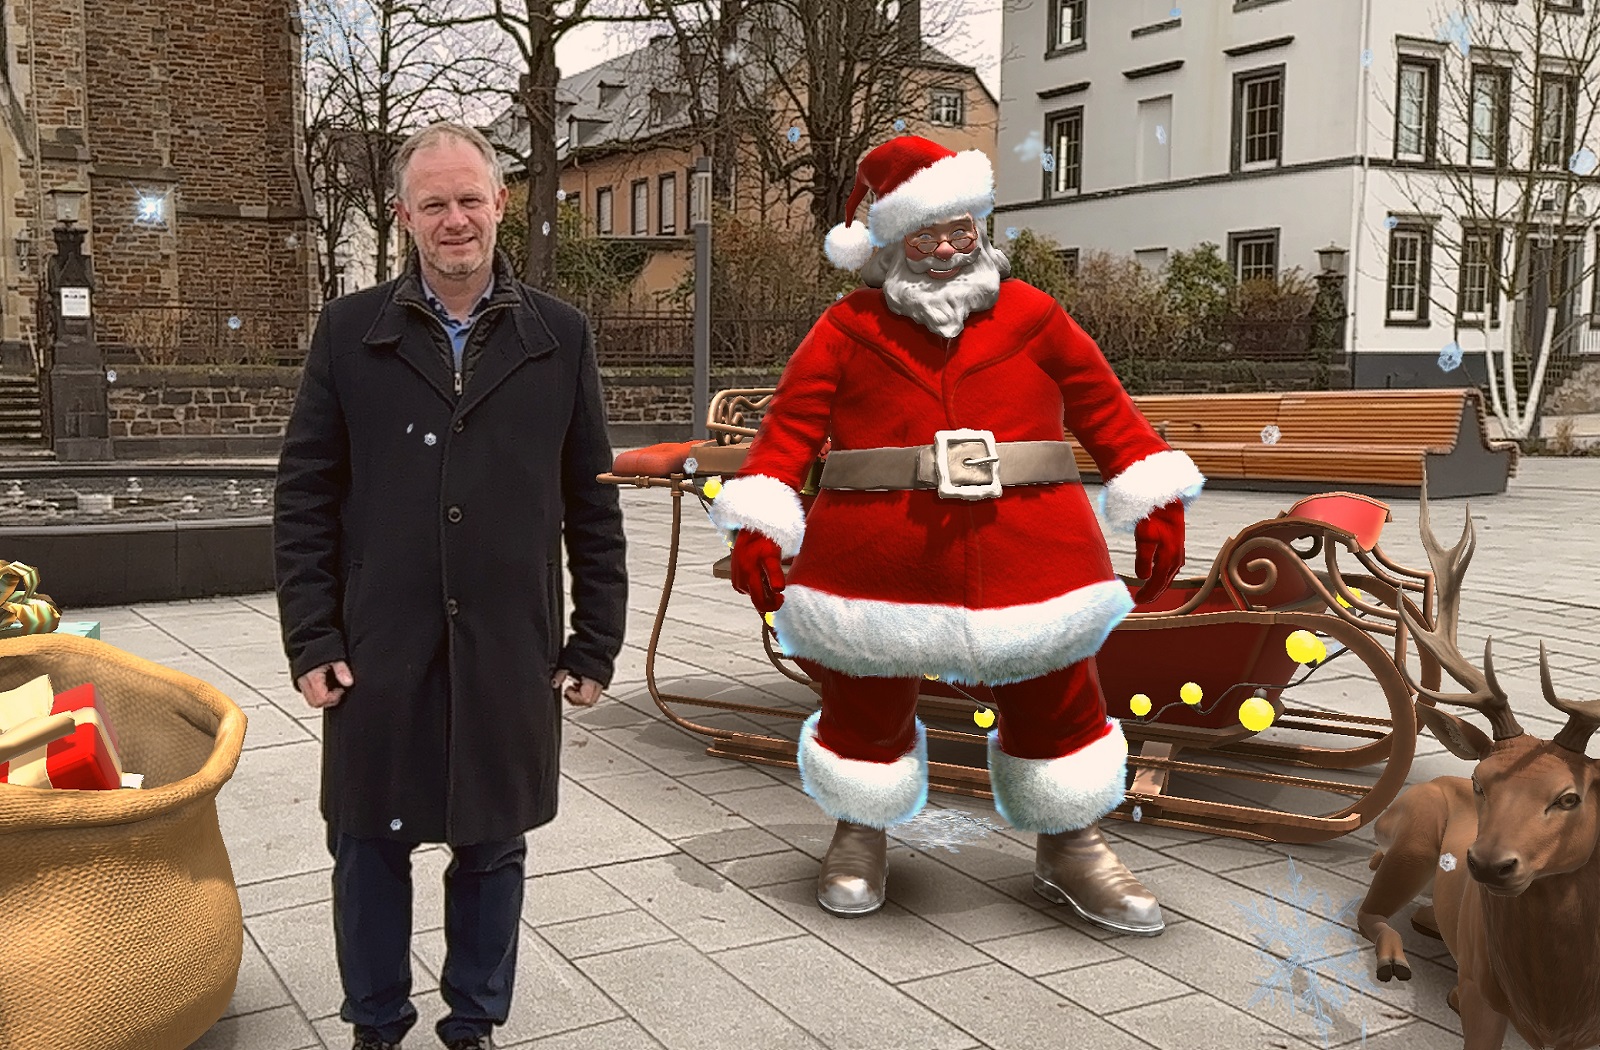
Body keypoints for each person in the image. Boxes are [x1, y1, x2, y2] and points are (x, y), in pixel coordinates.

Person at [709, 135, 1204, 934]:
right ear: (888, 242)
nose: (944, 250)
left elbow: (1105, 407)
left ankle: (1071, 839)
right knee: (862, 702)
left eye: (959, 232)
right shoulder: (845, 328)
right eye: (923, 235)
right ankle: (859, 827)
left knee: (1058, 696)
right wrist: (760, 523)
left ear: (980, 226)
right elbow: (790, 429)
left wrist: (1152, 493)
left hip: (1031, 550)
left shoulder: (1035, 314)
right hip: (877, 557)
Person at [273, 122, 627, 1050]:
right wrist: (313, 638)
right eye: (434, 203)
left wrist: (594, 641)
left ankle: (474, 1022)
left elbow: (592, 505)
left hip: (509, 644)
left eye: (471, 198)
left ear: (500, 203)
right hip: (380, 642)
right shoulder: (352, 333)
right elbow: (305, 495)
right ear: (403, 217)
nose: (455, 219)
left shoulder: (561, 336)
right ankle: (377, 1025)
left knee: (492, 845)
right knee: (367, 844)